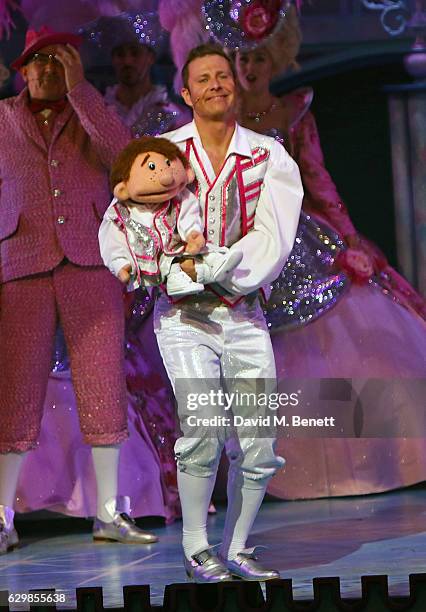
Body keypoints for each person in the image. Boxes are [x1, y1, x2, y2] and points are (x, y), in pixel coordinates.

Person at [232, 11, 426, 500]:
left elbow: (318, 182)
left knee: (348, 346)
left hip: (302, 244)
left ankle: (369, 461)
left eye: (257, 58)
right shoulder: (219, 122)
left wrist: (350, 239)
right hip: (246, 249)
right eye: (240, 57)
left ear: (273, 60)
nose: (249, 68)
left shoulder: (292, 112)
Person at [0, 25, 158, 553]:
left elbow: (126, 157)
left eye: (58, 58)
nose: (47, 68)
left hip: (90, 257)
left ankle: (110, 513)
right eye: (37, 60)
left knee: (103, 382)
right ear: (22, 68)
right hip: (21, 261)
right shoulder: (2, 118)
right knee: (16, 389)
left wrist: (81, 91)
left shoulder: (89, 113)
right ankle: (2, 517)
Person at [155, 43, 303, 582]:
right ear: (186, 92)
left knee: (260, 439)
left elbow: (273, 238)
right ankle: (198, 549)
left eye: (223, 75)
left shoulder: (267, 155)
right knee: (203, 426)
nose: (217, 84)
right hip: (182, 316)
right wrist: (168, 269)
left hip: (241, 312)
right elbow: (128, 219)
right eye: (204, 78)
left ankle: (238, 547)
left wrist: (215, 268)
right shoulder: (162, 153)